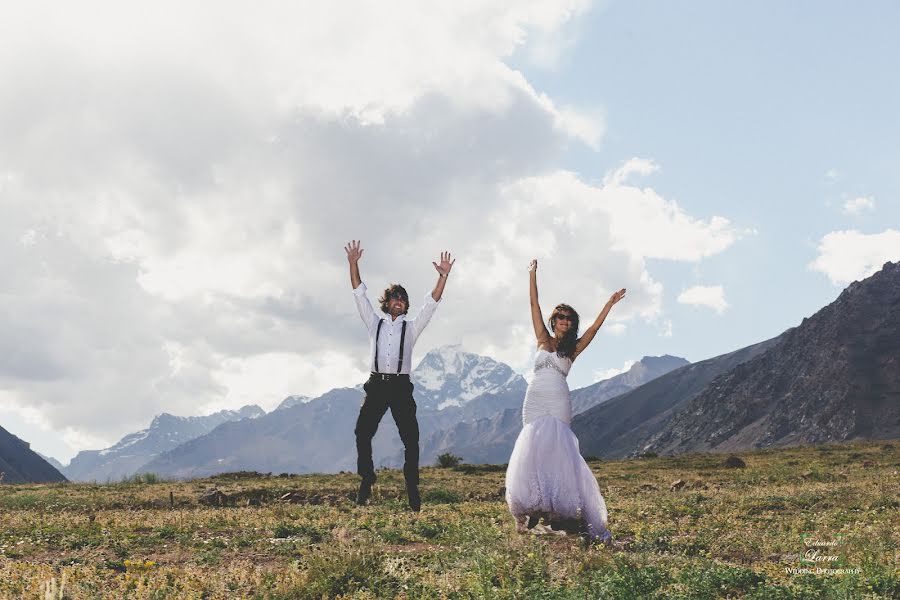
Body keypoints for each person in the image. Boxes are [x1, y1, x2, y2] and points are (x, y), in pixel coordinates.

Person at [505, 258, 625, 544]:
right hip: (534, 399)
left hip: (558, 400)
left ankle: (559, 510)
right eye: (560, 317)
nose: (564, 321)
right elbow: (533, 305)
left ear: (571, 325)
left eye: (569, 319)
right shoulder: (542, 339)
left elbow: (594, 330)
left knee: (558, 450)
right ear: (553, 321)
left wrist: (609, 304)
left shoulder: (573, 348)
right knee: (532, 447)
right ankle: (534, 506)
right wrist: (532, 275)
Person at [345, 239, 455, 511]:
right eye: (395, 297)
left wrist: (442, 277)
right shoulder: (375, 324)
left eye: (403, 299)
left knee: (411, 439)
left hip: (401, 388)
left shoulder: (412, 328)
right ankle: (367, 477)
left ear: (406, 306)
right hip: (377, 386)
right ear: (387, 302)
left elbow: (432, 303)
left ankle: (412, 488)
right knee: (362, 432)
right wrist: (353, 263)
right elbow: (359, 293)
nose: (399, 301)